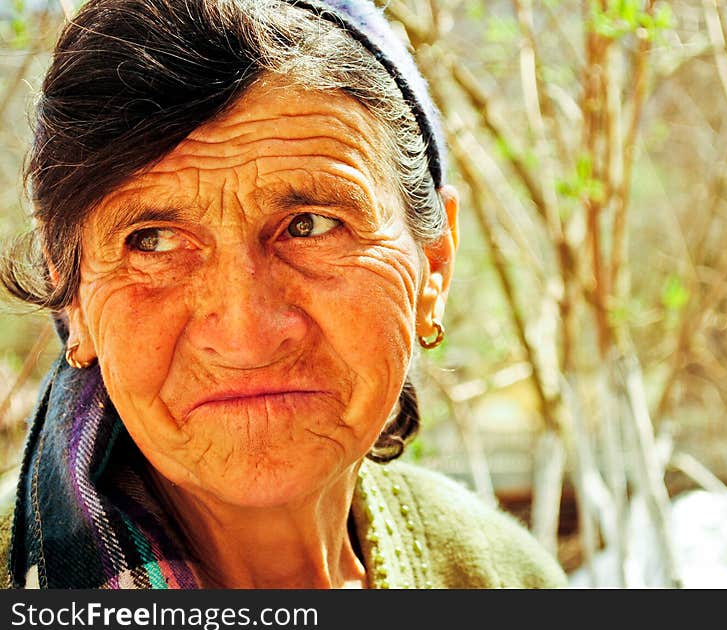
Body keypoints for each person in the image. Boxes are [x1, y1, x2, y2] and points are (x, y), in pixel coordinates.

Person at [0, 0, 566, 589]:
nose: (247, 333)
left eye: (310, 225)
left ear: (436, 263)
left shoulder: (499, 574)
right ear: (74, 296)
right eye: (155, 240)